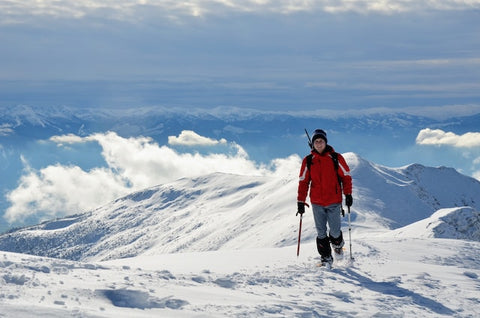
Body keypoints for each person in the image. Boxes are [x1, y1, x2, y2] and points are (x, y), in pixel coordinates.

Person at [297, 129, 353, 267]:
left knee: (334, 231)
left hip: (334, 201)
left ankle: (338, 246)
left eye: (321, 141)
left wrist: (348, 194)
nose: (319, 143)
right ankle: (326, 258)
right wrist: (300, 201)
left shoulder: (335, 158)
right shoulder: (309, 161)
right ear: (313, 144)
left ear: (325, 142)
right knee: (321, 232)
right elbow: (303, 182)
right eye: (316, 141)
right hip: (317, 202)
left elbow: (346, 177)